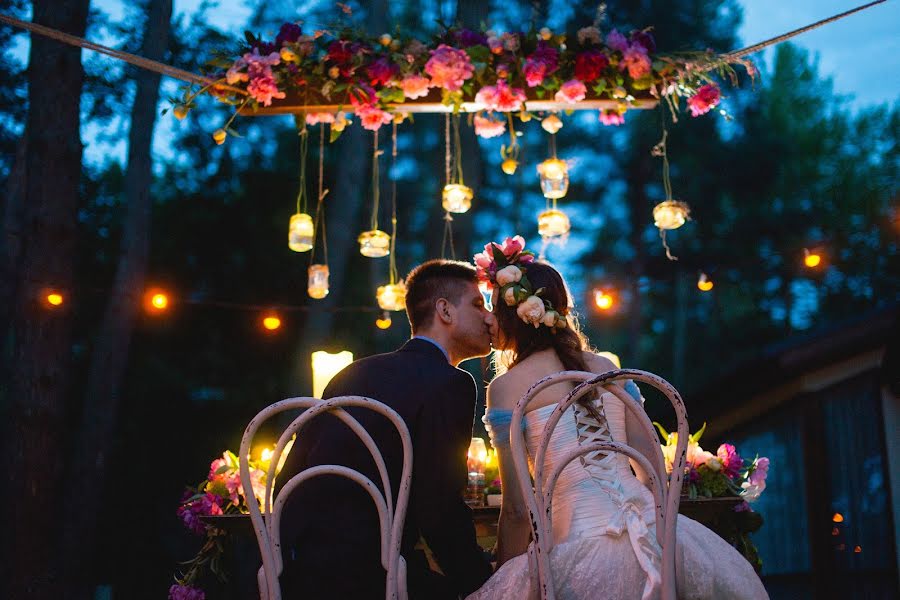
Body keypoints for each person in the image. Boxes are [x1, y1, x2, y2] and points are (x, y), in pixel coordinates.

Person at [466, 237, 769, 600]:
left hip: (575, 552)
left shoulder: (506, 387)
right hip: (656, 538)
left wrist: (507, 576)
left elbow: (516, 509)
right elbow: (653, 473)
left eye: (493, 307)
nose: (488, 318)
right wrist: (662, 539)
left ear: (515, 313)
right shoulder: (607, 368)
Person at [277, 259, 495, 599]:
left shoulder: (352, 373)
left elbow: (292, 473)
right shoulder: (451, 382)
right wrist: (483, 581)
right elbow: (438, 504)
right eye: (479, 305)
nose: (489, 318)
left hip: (297, 573)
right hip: (375, 577)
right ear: (445, 310)